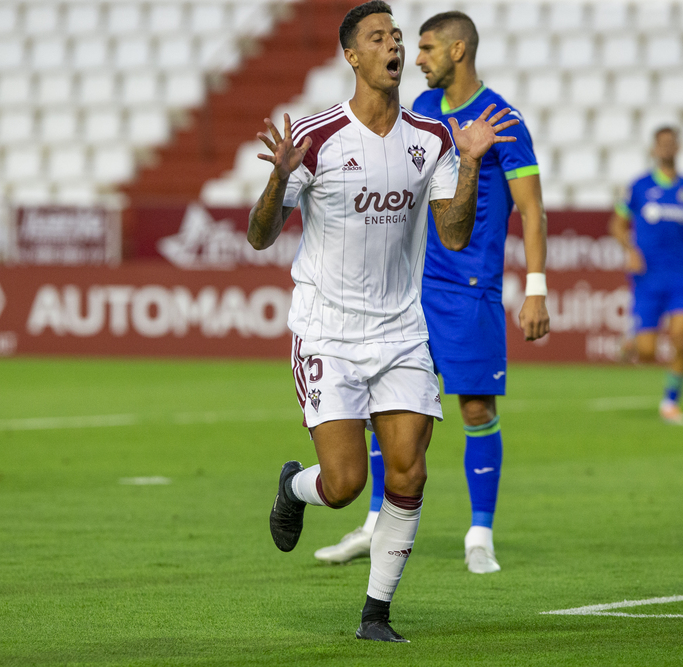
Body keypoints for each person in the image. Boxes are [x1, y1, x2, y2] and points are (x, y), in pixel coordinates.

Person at [248, 1, 517, 642]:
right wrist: (276, 182)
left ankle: (376, 615)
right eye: (379, 37)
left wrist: (474, 165)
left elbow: (452, 236)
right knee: (344, 484)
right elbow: (261, 237)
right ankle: (296, 488)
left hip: (400, 332)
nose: (394, 45)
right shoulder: (314, 139)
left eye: (398, 36)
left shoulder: (432, 140)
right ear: (352, 57)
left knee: (409, 470)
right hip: (328, 330)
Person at [313, 10, 549, 575]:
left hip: (471, 290)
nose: (414, 58)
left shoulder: (501, 119)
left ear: (458, 51)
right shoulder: (418, 117)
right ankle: (372, 525)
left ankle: (480, 533)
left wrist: (536, 288)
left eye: (425, 48)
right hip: (412, 290)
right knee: (383, 410)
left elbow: (532, 208)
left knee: (474, 407)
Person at [608, 127, 683, 426]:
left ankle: (670, 402)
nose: (667, 149)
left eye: (672, 143)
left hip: (679, 275)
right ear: (654, 149)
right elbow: (618, 225)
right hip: (647, 277)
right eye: (662, 144)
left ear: (678, 147)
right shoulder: (639, 187)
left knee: (682, 336)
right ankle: (632, 342)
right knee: (647, 353)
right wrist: (630, 250)